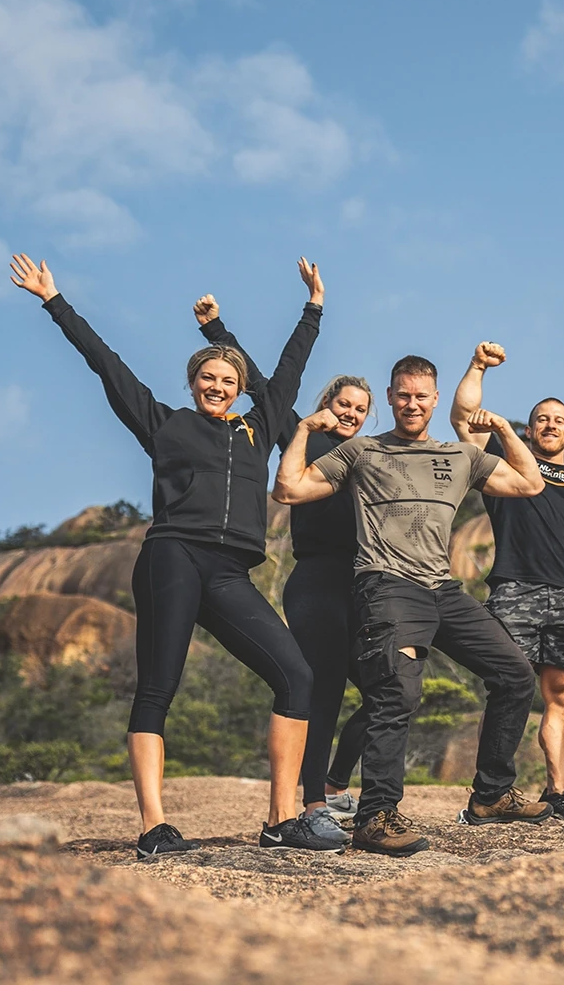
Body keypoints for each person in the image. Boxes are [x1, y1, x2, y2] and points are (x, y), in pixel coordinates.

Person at [9, 253, 344, 856]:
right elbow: (106, 365)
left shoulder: (259, 428)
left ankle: (281, 818)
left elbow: (291, 369)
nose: (218, 387)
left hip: (230, 571)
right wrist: (53, 300)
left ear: (241, 389)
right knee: (159, 687)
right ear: (192, 385)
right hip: (172, 558)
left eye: (228, 381)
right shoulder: (164, 425)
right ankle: (154, 826)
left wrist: (313, 306)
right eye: (207, 379)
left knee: (296, 675)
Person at [272, 354, 552, 858]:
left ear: (435, 399)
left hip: (442, 588)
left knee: (514, 674)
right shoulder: (362, 451)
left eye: (421, 395)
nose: (412, 404)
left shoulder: (460, 455)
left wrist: (507, 431)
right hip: (388, 586)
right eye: (403, 394)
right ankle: (376, 816)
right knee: (396, 692)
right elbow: (289, 488)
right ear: (391, 396)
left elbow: (530, 483)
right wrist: (303, 430)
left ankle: (490, 794)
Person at [195, 300, 372, 844]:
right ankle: (313, 802)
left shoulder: (370, 454)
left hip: (364, 582)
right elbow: (264, 387)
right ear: (327, 403)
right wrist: (215, 330)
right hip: (316, 580)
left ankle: (339, 782)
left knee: (390, 687)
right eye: (344, 403)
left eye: (361, 409)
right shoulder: (303, 433)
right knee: (320, 692)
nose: (351, 413)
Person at [450, 342, 564, 824]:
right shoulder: (504, 466)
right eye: (542, 418)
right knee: (509, 685)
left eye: (559, 419)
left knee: (562, 694)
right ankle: (494, 790)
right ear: (529, 428)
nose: (551, 424)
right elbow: (464, 419)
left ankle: (557, 794)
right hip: (513, 590)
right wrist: (478, 367)